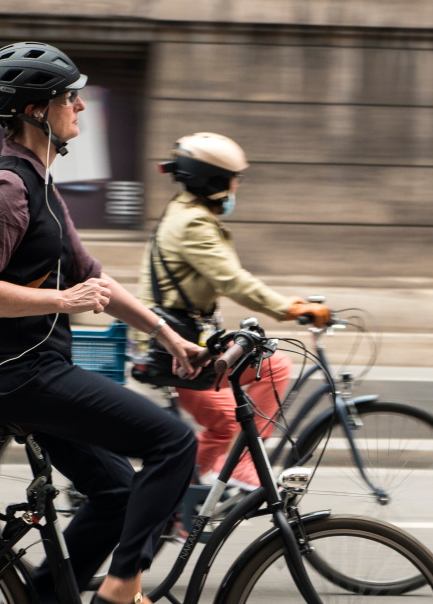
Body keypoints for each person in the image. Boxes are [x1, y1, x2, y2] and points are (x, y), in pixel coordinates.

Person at [0, 41, 206, 604]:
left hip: (38, 370)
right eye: (72, 97)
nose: (82, 107)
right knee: (173, 443)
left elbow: (94, 278)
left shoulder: (41, 184)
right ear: (37, 108)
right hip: (20, 375)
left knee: (118, 492)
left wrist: (166, 334)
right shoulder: (7, 189)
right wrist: (60, 302)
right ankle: (121, 590)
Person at [137, 133, 331, 489]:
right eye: (232, 179)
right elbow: (233, 281)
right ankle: (191, 494)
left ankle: (212, 475)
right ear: (211, 180)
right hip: (175, 348)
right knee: (227, 418)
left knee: (272, 365)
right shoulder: (193, 224)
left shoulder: (187, 213)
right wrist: (290, 308)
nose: (236, 187)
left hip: (191, 337)